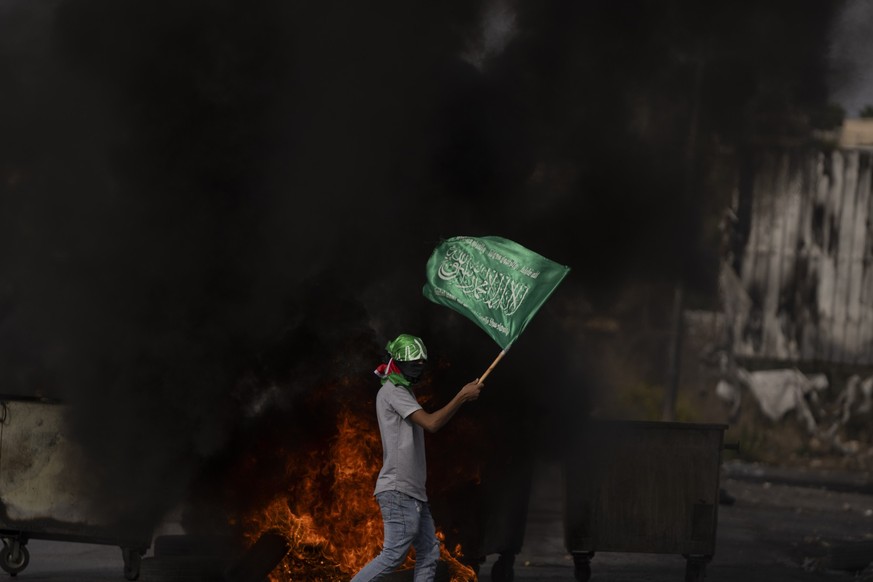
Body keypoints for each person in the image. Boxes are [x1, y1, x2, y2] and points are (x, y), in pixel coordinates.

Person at [351, 334, 483, 582]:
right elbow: (431, 423)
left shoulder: (403, 391)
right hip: (399, 489)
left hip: (412, 491)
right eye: (414, 363)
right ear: (398, 362)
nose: (420, 367)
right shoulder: (393, 391)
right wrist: (462, 397)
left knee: (429, 552)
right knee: (393, 555)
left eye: (423, 362)